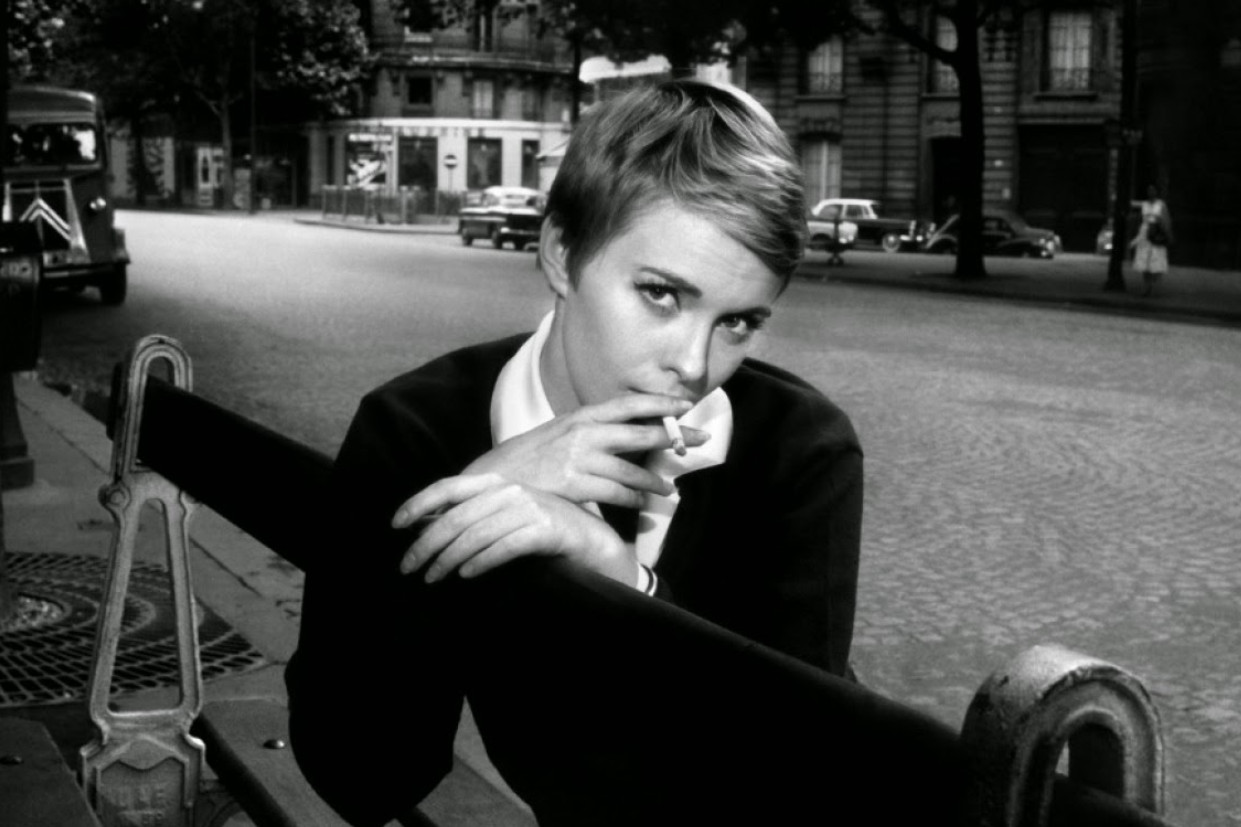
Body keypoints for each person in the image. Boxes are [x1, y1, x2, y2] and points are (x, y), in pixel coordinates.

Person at [285, 79, 864, 826]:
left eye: (739, 323)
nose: (693, 365)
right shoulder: (417, 430)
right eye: (661, 294)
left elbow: (800, 780)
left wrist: (622, 582)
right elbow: (364, 776)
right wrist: (465, 510)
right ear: (562, 253)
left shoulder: (799, 450)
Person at [1131, 183, 1173, 297]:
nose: (1151, 192)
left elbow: (1166, 220)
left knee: (1154, 259)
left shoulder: (1161, 204)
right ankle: (1146, 286)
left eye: (1153, 190)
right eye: (1149, 190)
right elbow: (1141, 218)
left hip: (1156, 233)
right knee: (1144, 260)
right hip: (1145, 233)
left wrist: (1166, 232)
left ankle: (1152, 287)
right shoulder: (1144, 205)